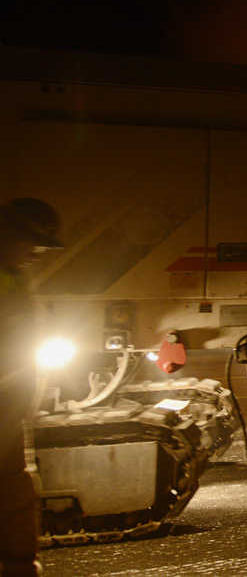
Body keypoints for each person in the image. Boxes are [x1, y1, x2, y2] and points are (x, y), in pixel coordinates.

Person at [0, 198, 62, 577]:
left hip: (8, 410)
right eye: (32, 244)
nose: (36, 254)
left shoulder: (15, 278)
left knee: (14, 493)